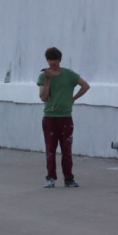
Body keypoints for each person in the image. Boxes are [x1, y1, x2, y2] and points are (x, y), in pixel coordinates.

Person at [38, 47, 90, 188]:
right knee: (50, 148)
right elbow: (43, 97)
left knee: (66, 148)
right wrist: (47, 81)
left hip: (65, 117)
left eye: (55, 59)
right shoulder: (43, 76)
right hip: (49, 117)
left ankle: (68, 178)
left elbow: (85, 86)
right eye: (50, 59)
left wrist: (73, 98)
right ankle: (50, 177)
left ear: (60, 60)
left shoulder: (69, 74)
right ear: (47, 60)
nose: (53, 62)